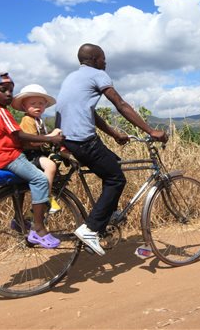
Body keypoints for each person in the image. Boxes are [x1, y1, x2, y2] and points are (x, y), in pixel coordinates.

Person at [55, 43, 168, 256]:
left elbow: (90, 114)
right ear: (96, 59)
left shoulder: (72, 78)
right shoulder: (98, 75)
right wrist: (150, 130)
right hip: (83, 141)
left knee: (114, 163)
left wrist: (114, 134)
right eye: (103, 58)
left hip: (67, 139)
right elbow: (121, 104)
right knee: (117, 179)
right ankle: (91, 229)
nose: (105, 62)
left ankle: (105, 218)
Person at [0, 72, 65, 248]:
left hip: (4, 155)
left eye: (11, 91)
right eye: (3, 90)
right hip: (8, 155)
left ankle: (20, 219)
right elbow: (19, 135)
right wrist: (50, 139)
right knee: (40, 179)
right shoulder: (1, 112)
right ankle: (38, 229)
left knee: (25, 183)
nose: (8, 94)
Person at [12, 84, 62, 214]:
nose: (37, 106)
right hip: (30, 154)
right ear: (24, 106)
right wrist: (51, 136)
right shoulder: (27, 120)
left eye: (41, 103)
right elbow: (33, 141)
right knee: (50, 166)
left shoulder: (38, 120)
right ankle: (46, 199)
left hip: (37, 153)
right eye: (33, 103)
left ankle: (33, 210)